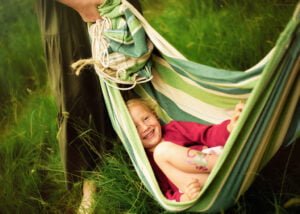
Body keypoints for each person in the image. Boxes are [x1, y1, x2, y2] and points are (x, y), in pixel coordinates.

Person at [36, 0, 142, 213]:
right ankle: (91, 179)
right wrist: (81, 3)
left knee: (129, 66)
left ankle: (145, 148)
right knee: (78, 91)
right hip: (64, 10)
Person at [126, 98, 244, 202]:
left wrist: (229, 128)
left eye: (146, 118)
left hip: (212, 161)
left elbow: (207, 135)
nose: (145, 127)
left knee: (162, 151)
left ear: (154, 115)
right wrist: (185, 198)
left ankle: (221, 163)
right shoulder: (146, 162)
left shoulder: (175, 129)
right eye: (135, 127)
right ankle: (225, 165)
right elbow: (164, 194)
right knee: (160, 153)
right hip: (203, 185)